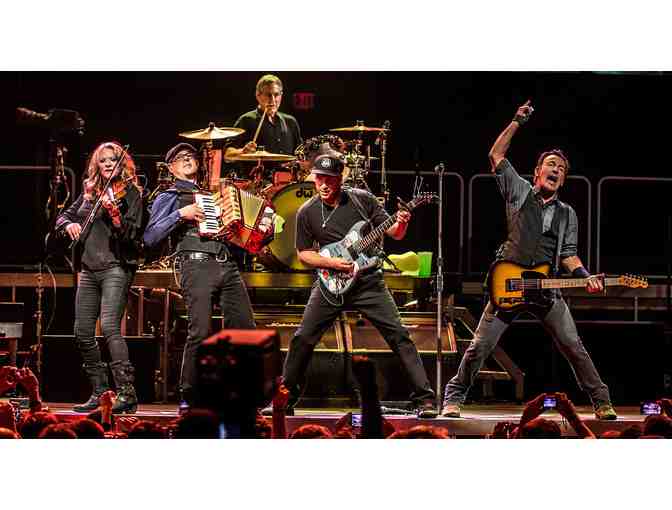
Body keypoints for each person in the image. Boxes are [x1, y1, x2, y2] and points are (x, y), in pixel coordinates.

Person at [441, 101, 617, 421]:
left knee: (573, 345)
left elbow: (568, 254)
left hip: (546, 289)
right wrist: (516, 122)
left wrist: (585, 275)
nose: (556, 169)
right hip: (509, 282)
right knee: (480, 346)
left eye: (561, 168)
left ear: (563, 180)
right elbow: (496, 155)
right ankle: (453, 398)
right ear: (537, 172)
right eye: (551, 164)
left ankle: (601, 401)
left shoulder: (567, 214)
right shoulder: (520, 191)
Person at [278, 153, 438, 418]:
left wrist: (401, 223)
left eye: (329, 179)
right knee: (302, 338)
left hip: (367, 282)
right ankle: (284, 400)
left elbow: (394, 233)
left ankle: (425, 399)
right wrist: (331, 264)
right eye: (319, 179)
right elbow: (304, 253)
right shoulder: (307, 211)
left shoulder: (362, 199)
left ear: (340, 178)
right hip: (330, 283)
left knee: (399, 336)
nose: (324, 185)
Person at [143, 143, 256, 407]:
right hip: (196, 265)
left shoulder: (214, 194)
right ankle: (191, 395)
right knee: (201, 331)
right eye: (179, 157)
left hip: (227, 265)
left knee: (245, 327)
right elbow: (150, 236)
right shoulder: (169, 196)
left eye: (190, 156)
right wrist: (181, 214)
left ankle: (242, 393)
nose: (187, 159)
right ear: (170, 167)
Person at [55, 141, 144, 414]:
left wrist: (116, 216)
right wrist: (69, 224)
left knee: (109, 327)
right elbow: (63, 217)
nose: (107, 164)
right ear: (96, 164)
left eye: (112, 159)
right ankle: (100, 392)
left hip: (115, 267)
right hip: (89, 269)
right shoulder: (90, 192)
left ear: (121, 163)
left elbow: (132, 235)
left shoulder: (131, 194)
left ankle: (126, 392)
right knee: (82, 331)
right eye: (102, 160)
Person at [225, 74, 302, 161]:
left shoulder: (290, 121)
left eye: (276, 95)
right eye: (268, 95)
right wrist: (242, 151)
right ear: (258, 95)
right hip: (257, 170)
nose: (273, 100)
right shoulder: (246, 120)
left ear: (281, 95)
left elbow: (300, 153)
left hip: (287, 170)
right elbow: (227, 155)